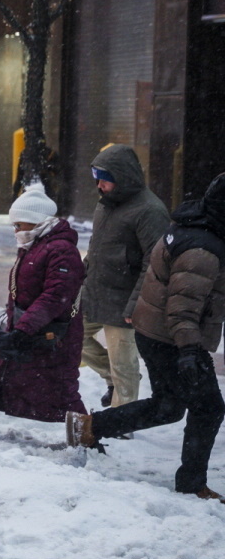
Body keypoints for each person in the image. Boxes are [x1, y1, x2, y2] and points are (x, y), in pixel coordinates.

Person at [68, 173, 225, 501]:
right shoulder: (203, 248)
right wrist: (190, 351)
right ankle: (191, 484)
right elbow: (183, 308)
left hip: (157, 332)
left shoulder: (197, 224)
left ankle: (88, 428)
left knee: (168, 406)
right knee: (208, 408)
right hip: (173, 337)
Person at [0, 187, 87, 437]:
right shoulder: (35, 244)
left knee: (64, 391)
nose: (15, 231)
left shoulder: (61, 250)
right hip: (26, 330)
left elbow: (56, 296)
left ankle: (87, 441)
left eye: (18, 224)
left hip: (53, 337)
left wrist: (23, 330)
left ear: (35, 221)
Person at [81, 145, 169, 409]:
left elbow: (155, 263)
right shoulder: (106, 203)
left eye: (104, 179)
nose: (99, 185)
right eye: (96, 177)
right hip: (95, 291)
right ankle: (112, 380)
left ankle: (122, 416)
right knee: (71, 336)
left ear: (122, 177)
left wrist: (135, 304)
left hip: (124, 299)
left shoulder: (150, 210)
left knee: (124, 363)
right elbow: (98, 248)